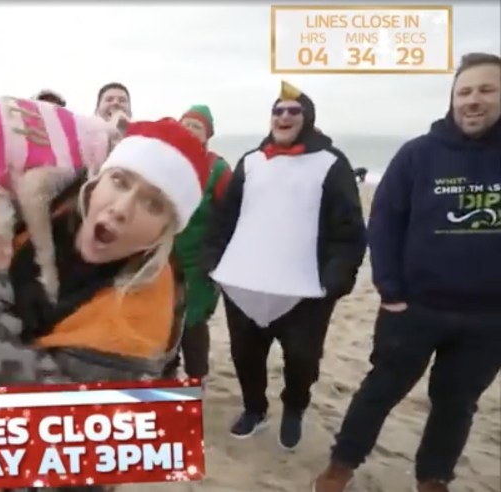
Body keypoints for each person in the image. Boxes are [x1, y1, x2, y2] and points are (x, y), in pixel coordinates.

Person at [0, 118, 212, 390]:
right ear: (99, 179)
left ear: (165, 231)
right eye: (120, 182)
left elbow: (17, 395)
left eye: (152, 204)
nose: (122, 209)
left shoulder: (141, 320)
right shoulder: (48, 194)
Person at [314, 52, 501, 492]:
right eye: (465, 92)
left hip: (489, 320)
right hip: (414, 308)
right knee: (379, 391)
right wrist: (389, 289)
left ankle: (433, 479)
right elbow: (383, 222)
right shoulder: (419, 154)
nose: (473, 101)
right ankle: (339, 468)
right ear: (452, 99)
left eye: (486, 90)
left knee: (457, 405)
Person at [203, 81, 367, 450]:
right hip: (245, 283)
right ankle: (254, 409)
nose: (284, 116)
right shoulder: (251, 161)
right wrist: (212, 261)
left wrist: (333, 281)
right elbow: (223, 219)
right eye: (277, 110)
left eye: (293, 111)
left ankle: (294, 409)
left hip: (304, 290)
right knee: (245, 356)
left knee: (301, 360)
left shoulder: (332, 163)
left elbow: (349, 229)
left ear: (307, 118)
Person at [162, 105, 232, 379]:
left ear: (207, 136)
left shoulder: (218, 168)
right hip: (163, 260)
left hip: (199, 263)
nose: (190, 130)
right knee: (164, 323)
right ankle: (166, 375)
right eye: (186, 124)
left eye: (197, 127)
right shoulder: (165, 161)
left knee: (192, 325)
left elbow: (230, 215)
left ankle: (196, 379)